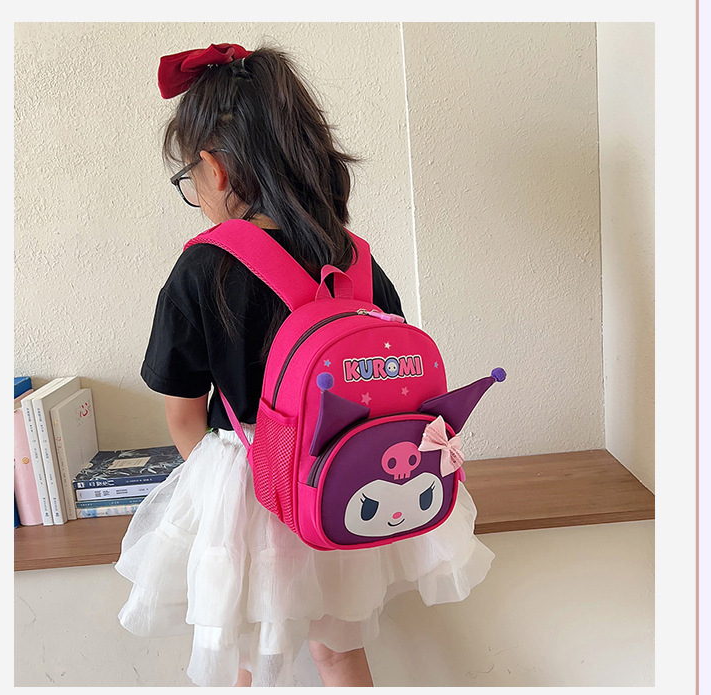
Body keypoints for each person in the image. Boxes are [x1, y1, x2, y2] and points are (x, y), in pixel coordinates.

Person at [114, 42, 495, 688]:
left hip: (248, 486)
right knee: (339, 652)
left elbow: (183, 418)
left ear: (216, 171)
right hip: (341, 477)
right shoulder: (355, 258)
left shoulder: (203, 269)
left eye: (189, 181)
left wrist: (228, 492)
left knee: (246, 658)